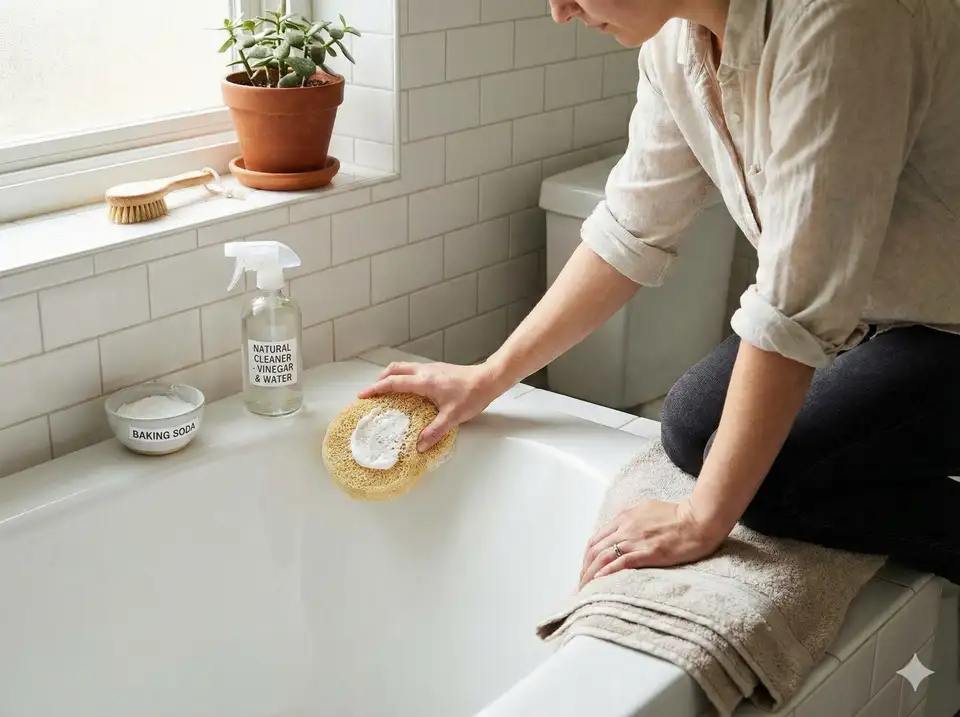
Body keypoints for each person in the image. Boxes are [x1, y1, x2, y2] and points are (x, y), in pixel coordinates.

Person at [361, 0, 960, 587]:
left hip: (945, 320)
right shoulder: (678, 44)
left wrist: (702, 519)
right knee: (695, 424)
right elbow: (630, 228)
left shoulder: (843, 20)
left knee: (772, 484)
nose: (559, 11)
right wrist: (489, 377)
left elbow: (792, 303)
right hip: (872, 313)